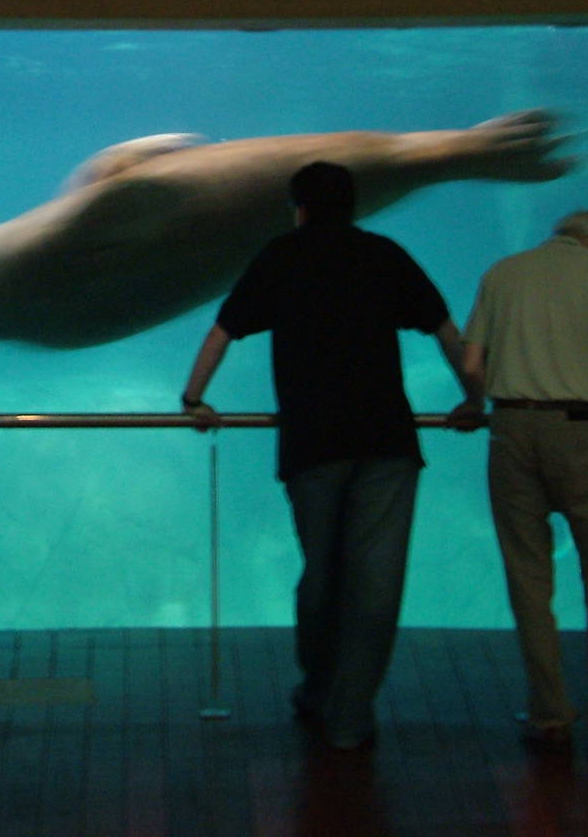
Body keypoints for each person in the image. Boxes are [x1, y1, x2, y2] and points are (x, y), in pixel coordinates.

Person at [179, 161, 482, 751]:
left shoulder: (279, 257)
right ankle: (351, 715)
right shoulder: (385, 254)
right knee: (376, 582)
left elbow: (221, 333)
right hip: (388, 443)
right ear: (355, 206)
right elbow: (450, 335)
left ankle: (319, 687)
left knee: (322, 572)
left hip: (312, 446)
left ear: (299, 208)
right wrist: (474, 398)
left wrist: (194, 398)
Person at [457, 210, 588, 758]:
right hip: (580, 432)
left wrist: (479, 401)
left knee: (528, 579)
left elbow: (472, 358)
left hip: (512, 431)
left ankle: (549, 716)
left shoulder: (502, 272)